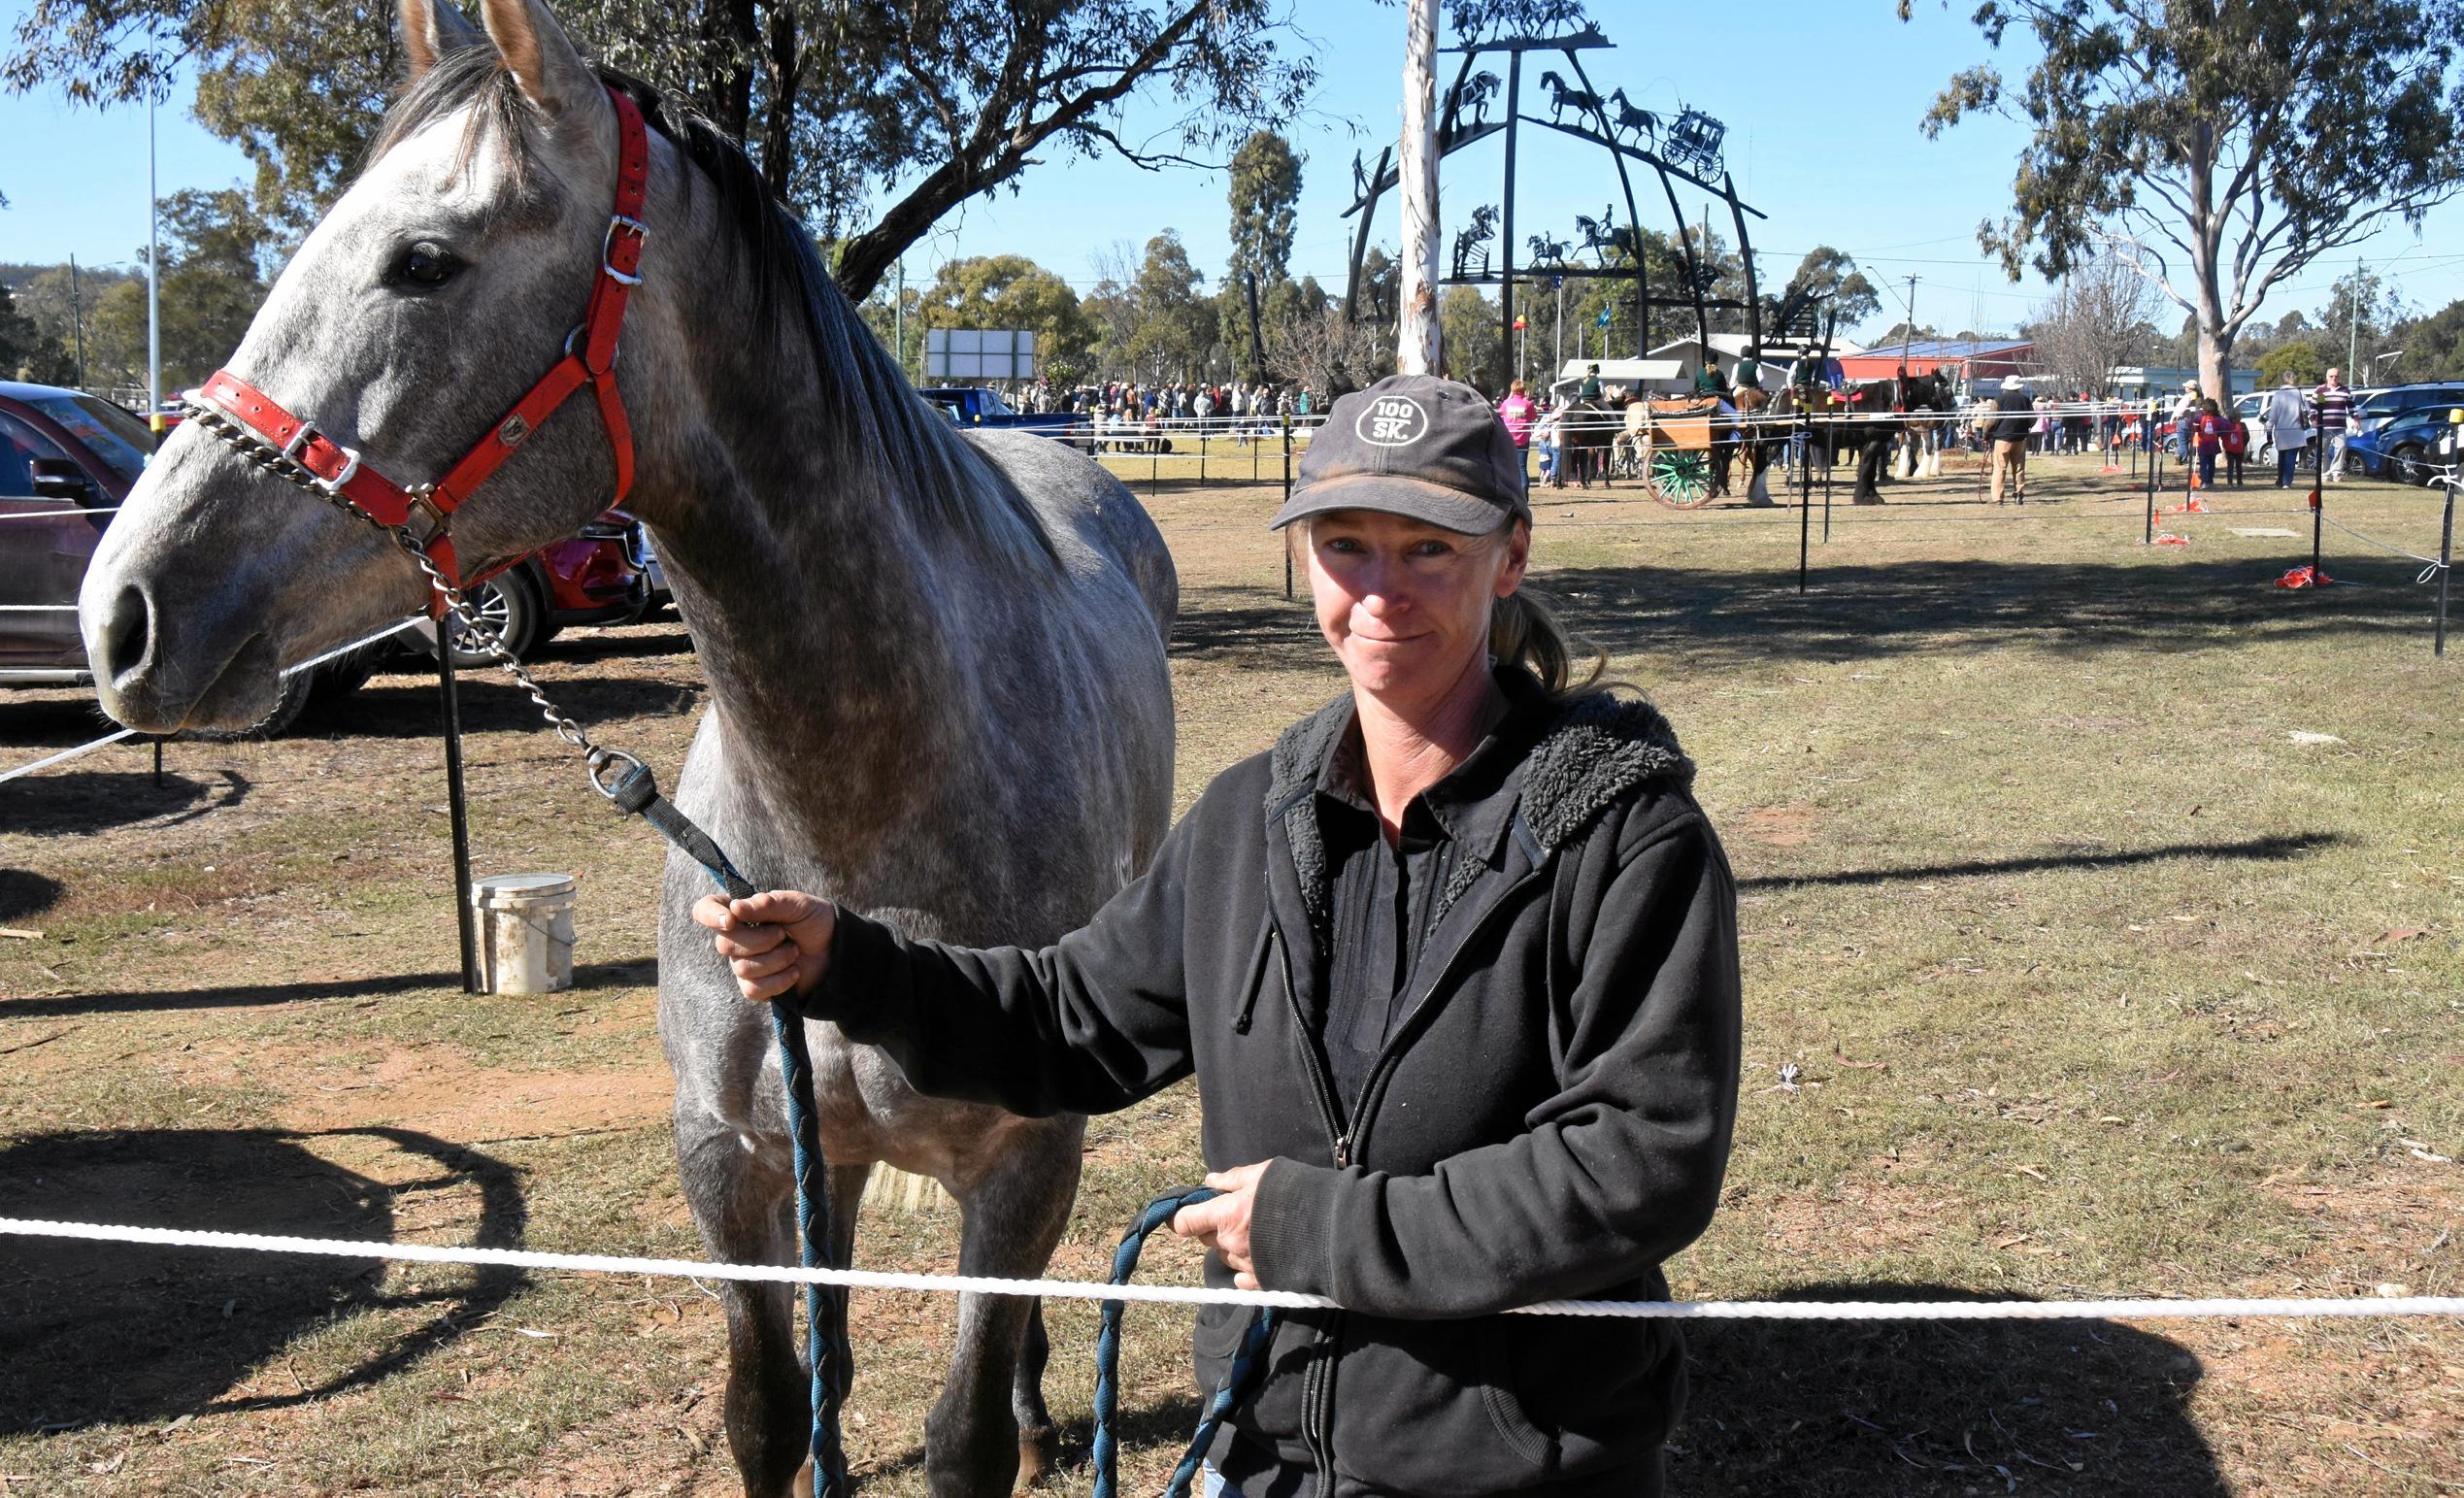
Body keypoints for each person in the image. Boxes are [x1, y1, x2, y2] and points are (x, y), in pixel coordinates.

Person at [699, 376, 1742, 1498]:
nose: (1381, 592)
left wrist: (1318, 1228)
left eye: (1429, 548)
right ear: (1305, 564)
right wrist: (854, 966)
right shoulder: (1255, 819)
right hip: (1264, 1455)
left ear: (1512, 557)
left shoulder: (1623, 837)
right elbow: (1072, 1017)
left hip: (1524, 1467)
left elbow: (1643, 1160)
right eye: (1346, 546)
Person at [1987, 375, 2032, 504]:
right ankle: (2019, 494)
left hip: (2002, 439)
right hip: (2020, 438)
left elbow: (1991, 421)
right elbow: (2032, 419)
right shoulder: (2025, 400)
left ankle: (1998, 498)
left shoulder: (1998, 400)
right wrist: (2025, 427)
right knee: (2019, 468)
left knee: (2000, 468)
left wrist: (1986, 434)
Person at [2267, 381, 2311, 488]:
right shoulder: (2300, 394)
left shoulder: (2277, 395)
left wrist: (2269, 430)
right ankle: (2287, 481)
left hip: (2281, 432)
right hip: (2296, 431)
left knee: (2282, 457)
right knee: (2291, 458)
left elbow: (2272, 416)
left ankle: (2280, 481)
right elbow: (2308, 410)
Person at [2314, 366, 2353, 482]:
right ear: (2327, 377)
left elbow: (2351, 407)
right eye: (2331, 376)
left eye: (2336, 376)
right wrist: (2313, 419)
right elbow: (2315, 407)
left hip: (2340, 426)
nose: (2334, 378)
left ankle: (2336, 473)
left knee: (2341, 448)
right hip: (2324, 426)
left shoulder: (2345, 391)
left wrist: (2356, 419)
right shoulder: (2321, 391)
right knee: (2322, 451)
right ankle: (2324, 474)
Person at [1498, 379, 1538, 483]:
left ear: (1512, 390)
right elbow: (1533, 416)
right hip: (1523, 439)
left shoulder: (1506, 403)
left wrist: (1509, 397)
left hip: (1508, 438)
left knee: (1508, 466)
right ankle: (1524, 494)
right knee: (1522, 467)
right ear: (1524, 390)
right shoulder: (1528, 404)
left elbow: (1500, 412)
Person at [2192, 395, 2224, 490]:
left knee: (2203, 464)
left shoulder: (2199, 418)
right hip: (2213, 444)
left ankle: (2205, 481)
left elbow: (2195, 427)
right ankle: (2209, 480)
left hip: (2203, 445)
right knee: (2211, 463)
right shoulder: (2218, 419)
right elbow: (2222, 428)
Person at [2219, 405, 2250, 487]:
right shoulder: (2242, 425)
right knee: (2238, 466)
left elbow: (2223, 436)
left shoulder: (2227, 425)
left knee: (2230, 466)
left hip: (2229, 449)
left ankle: (2230, 483)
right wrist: (2244, 444)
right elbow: (2247, 436)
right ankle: (2239, 482)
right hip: (2239, 449)